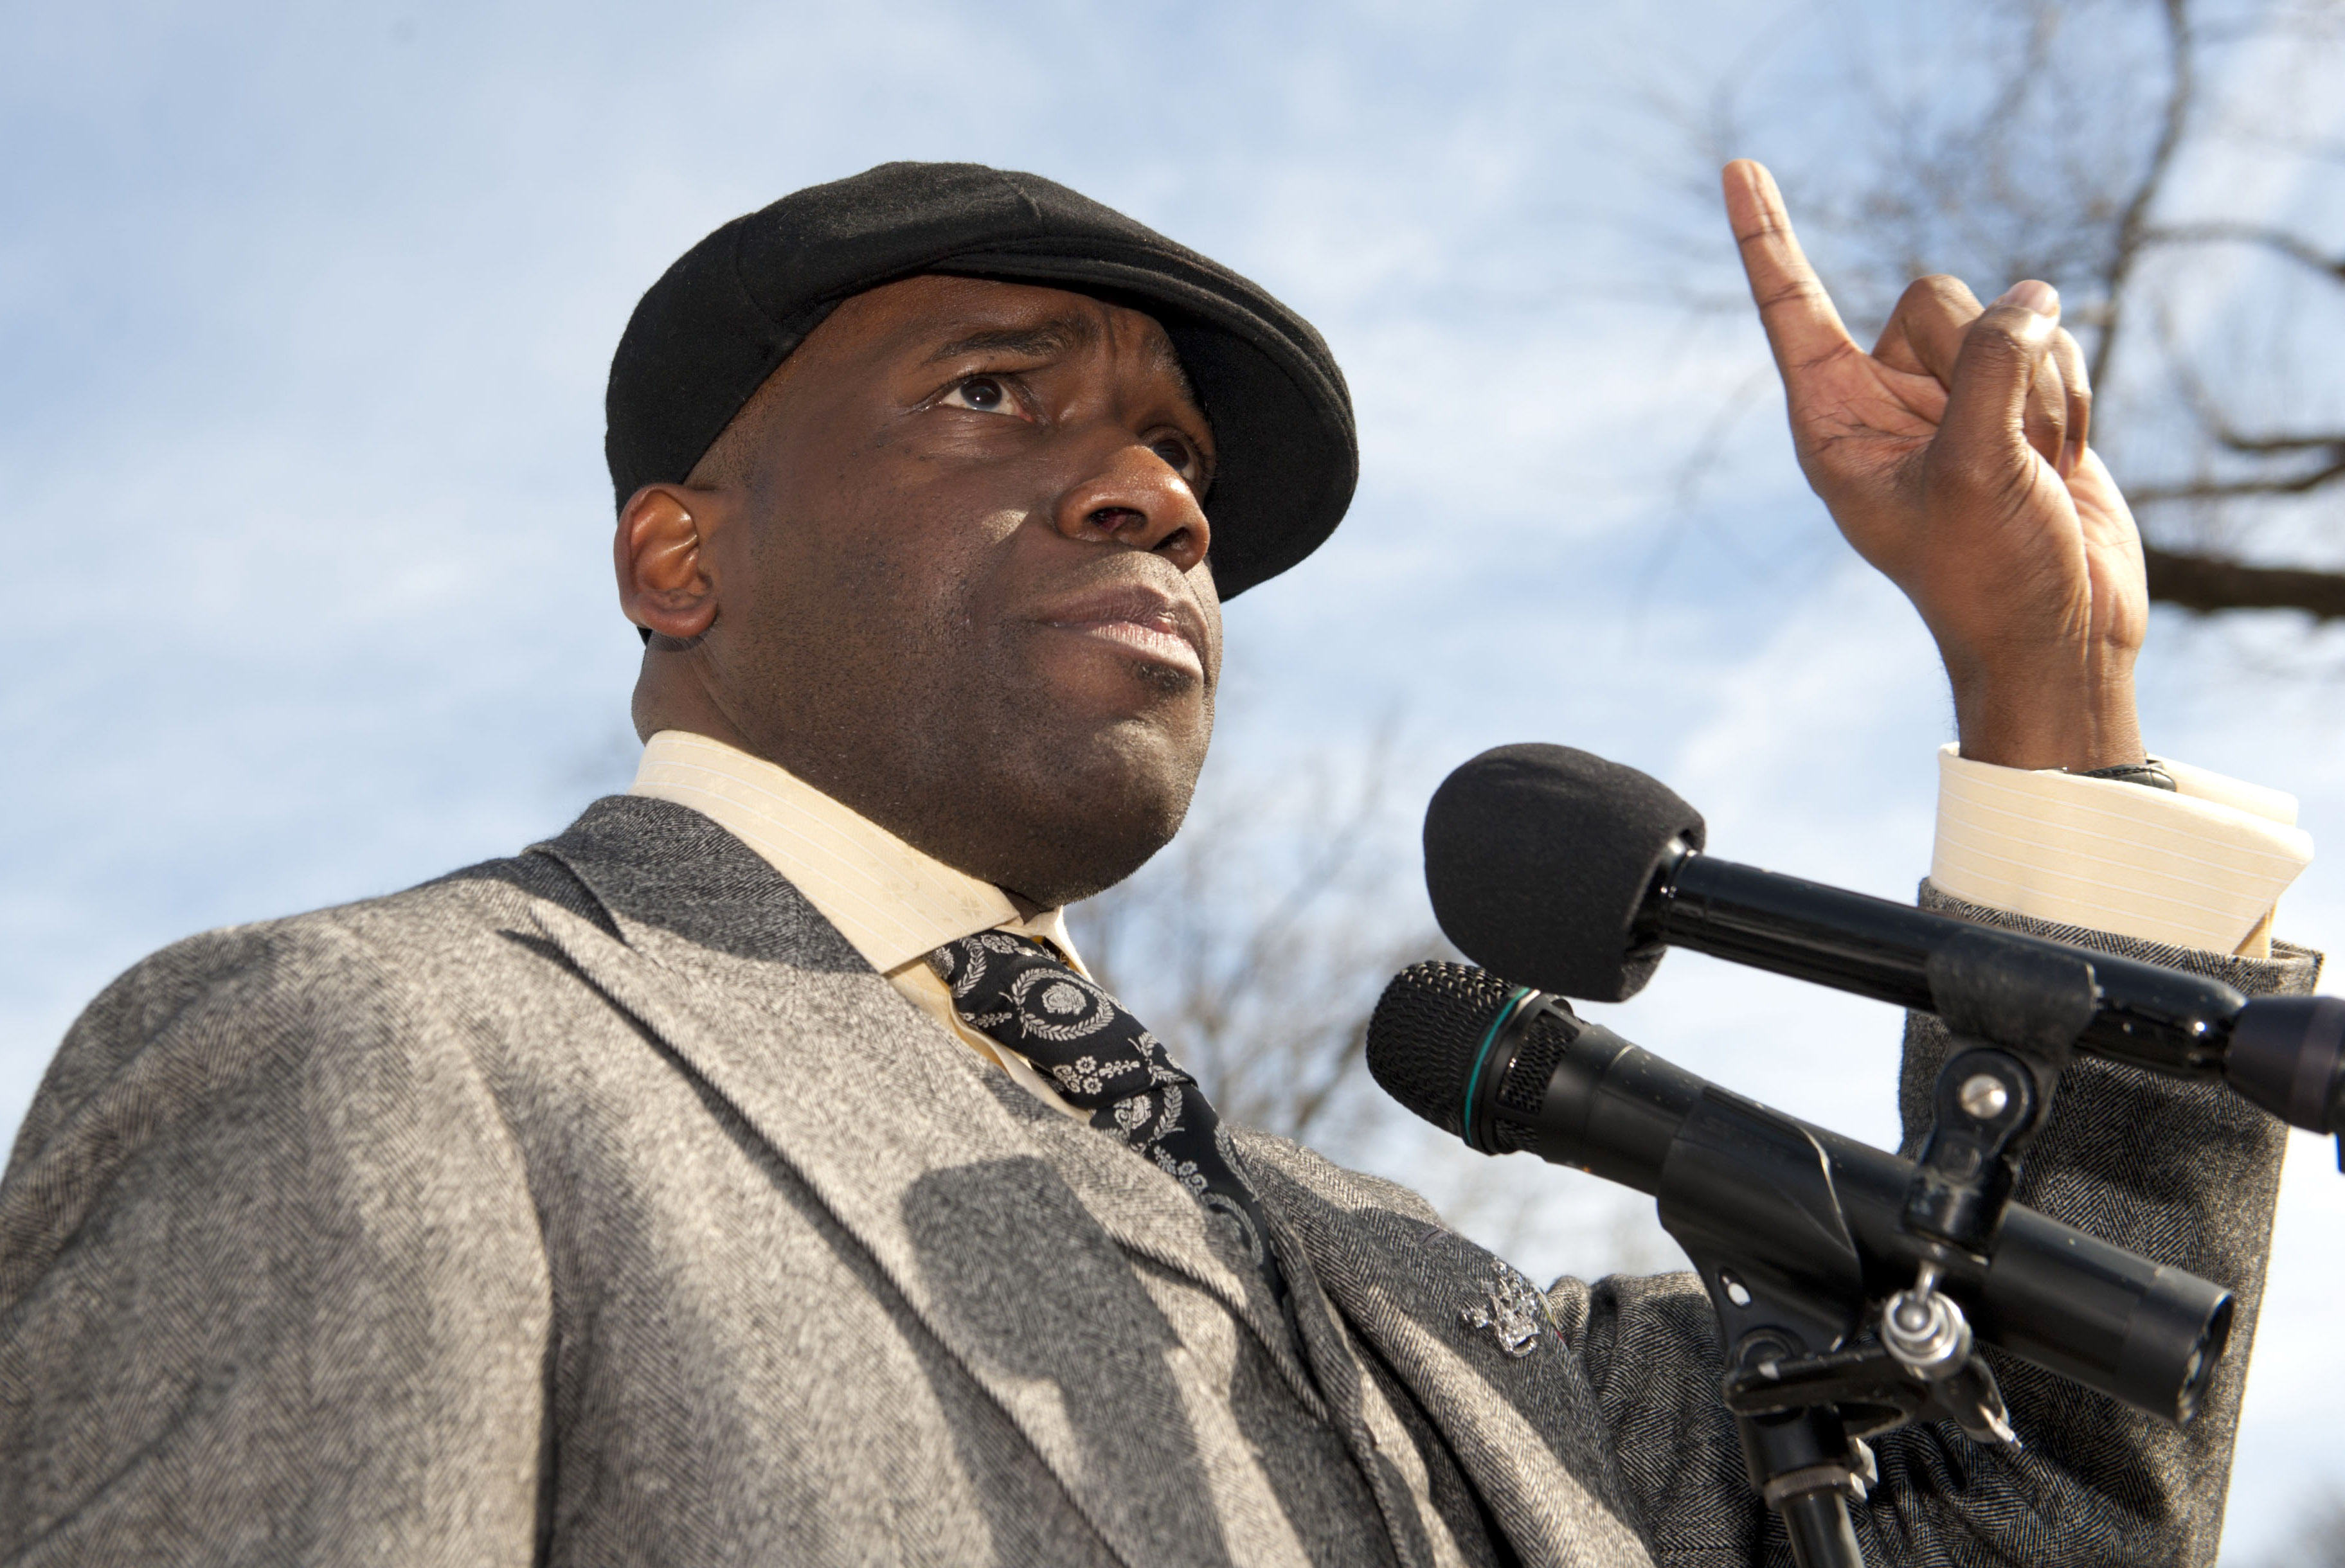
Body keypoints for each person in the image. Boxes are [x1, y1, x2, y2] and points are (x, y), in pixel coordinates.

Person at [0, 159, 2314, 1567]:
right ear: (676, 556)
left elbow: (2033, 1521)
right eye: (997, 395)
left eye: (1176, 453)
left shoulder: (1414, 1285)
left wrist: (2052, 693)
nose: (1160, 495)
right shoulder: (382, 1059)